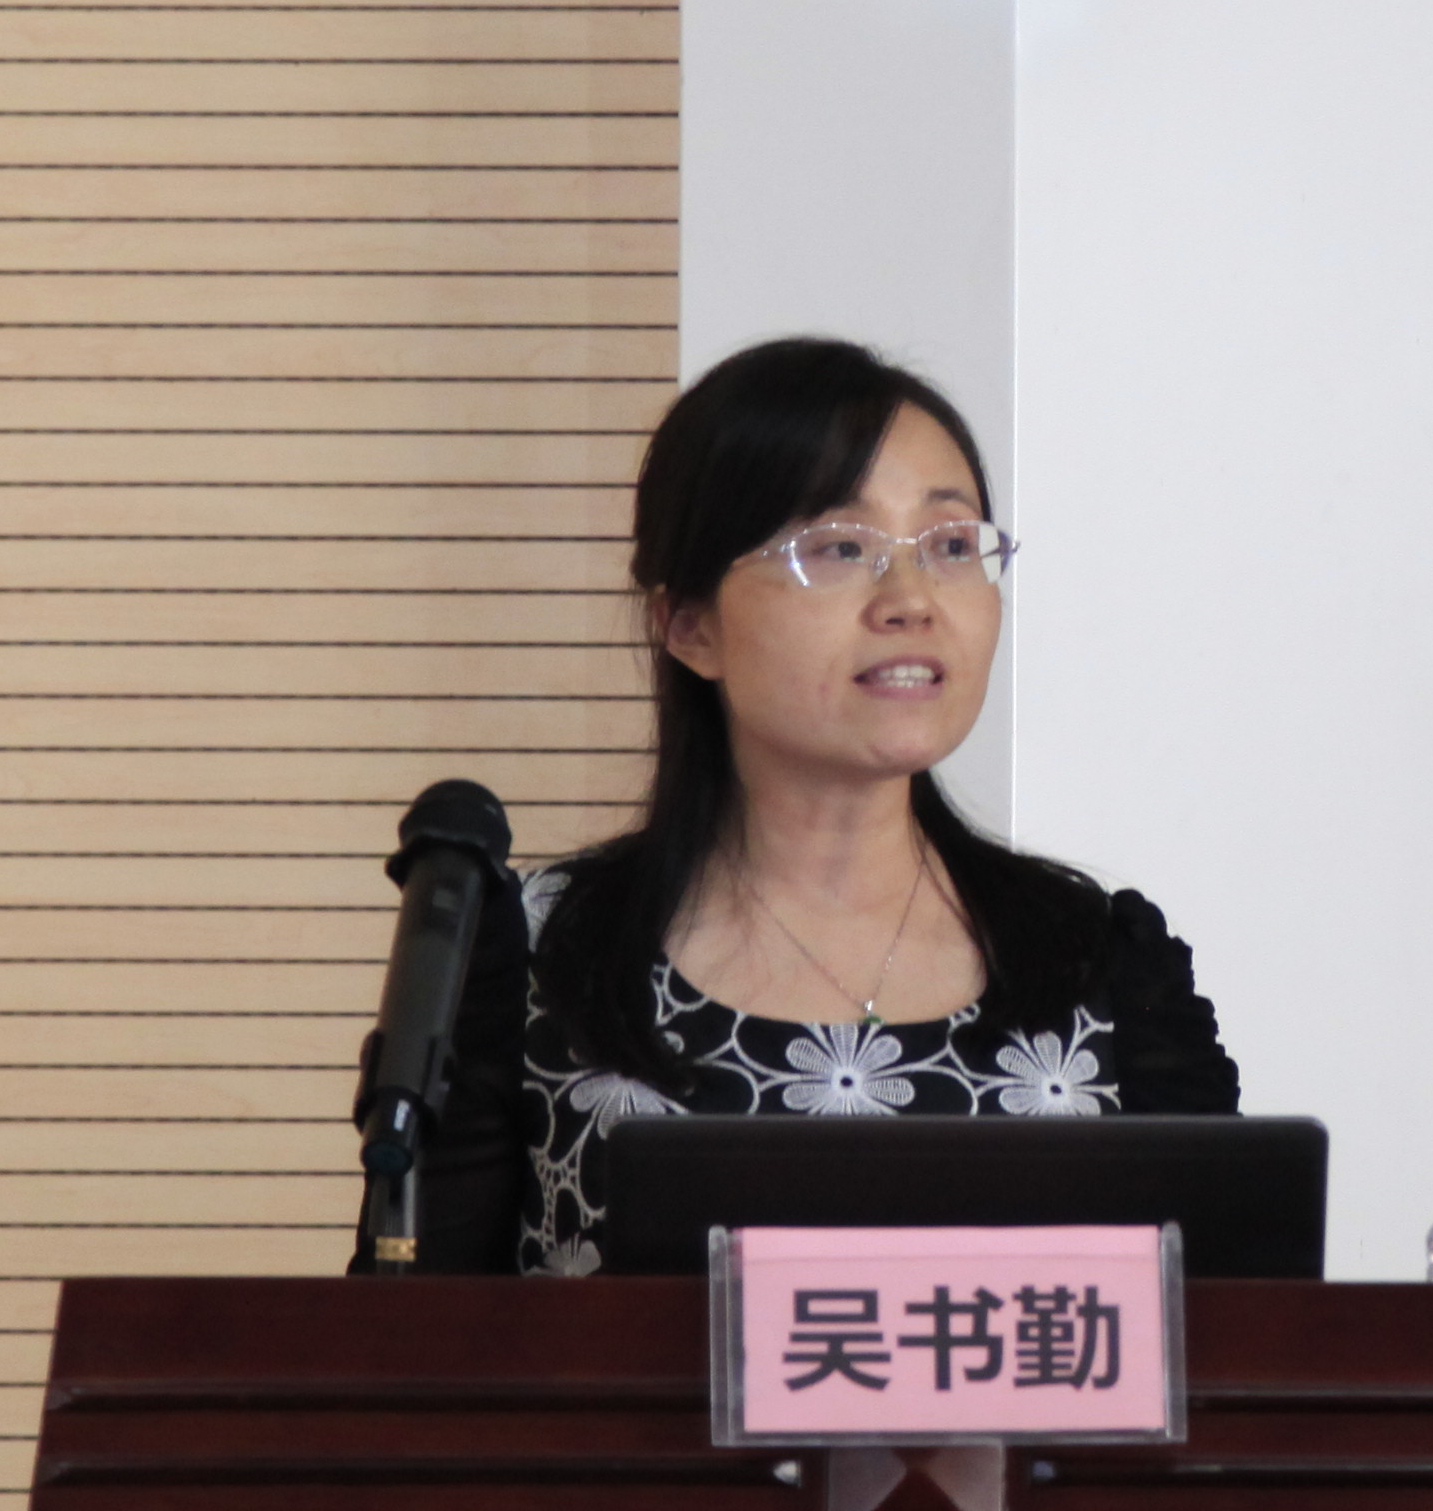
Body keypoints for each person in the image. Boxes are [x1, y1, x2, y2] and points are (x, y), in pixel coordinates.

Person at [353, 338, 1238, 1276]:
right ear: (689, 624)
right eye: (840, 547)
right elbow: (405, 1335)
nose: (911, 599)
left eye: (950, 545)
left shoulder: (1100, 964)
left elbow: (1238, 1329)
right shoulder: (538, 955)